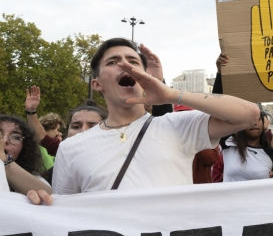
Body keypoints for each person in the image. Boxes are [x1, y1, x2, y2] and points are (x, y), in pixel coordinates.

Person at [28, 38, 260, 203]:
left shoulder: (176, 126)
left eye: (132, 61)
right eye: (112, 62)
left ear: (145, 77)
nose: (125, 65)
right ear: (97, 84)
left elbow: (249, 114)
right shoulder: (71, 148)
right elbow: (64, 213)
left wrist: (170, 94)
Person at [0, 115, 52, 197]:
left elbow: (48, 195)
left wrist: (4, 159)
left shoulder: (33, 177)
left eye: (16, 137)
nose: (5, 140)